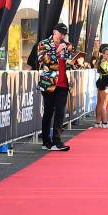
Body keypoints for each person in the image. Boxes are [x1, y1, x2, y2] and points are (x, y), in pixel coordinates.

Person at [37, 23, 73, 151]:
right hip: (49, 83)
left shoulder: (67, 45)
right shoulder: (44, 43)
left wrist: (75, 61)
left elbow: (68, 62)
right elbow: (43, 60)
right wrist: (57, 51)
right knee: (48, 111)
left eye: (64, 34)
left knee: (60, 112)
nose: (62, 36)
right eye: (60, 33)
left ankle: (57, 141)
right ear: (54, 32)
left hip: (63, 83)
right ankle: (46, 141)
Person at [95, 46, 108, 128]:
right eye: (107, 54)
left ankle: (98, 122)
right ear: (103, 54)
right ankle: (104, 122)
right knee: (103, 103)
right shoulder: (103, 62)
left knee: (104, 103)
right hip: (104, 84)